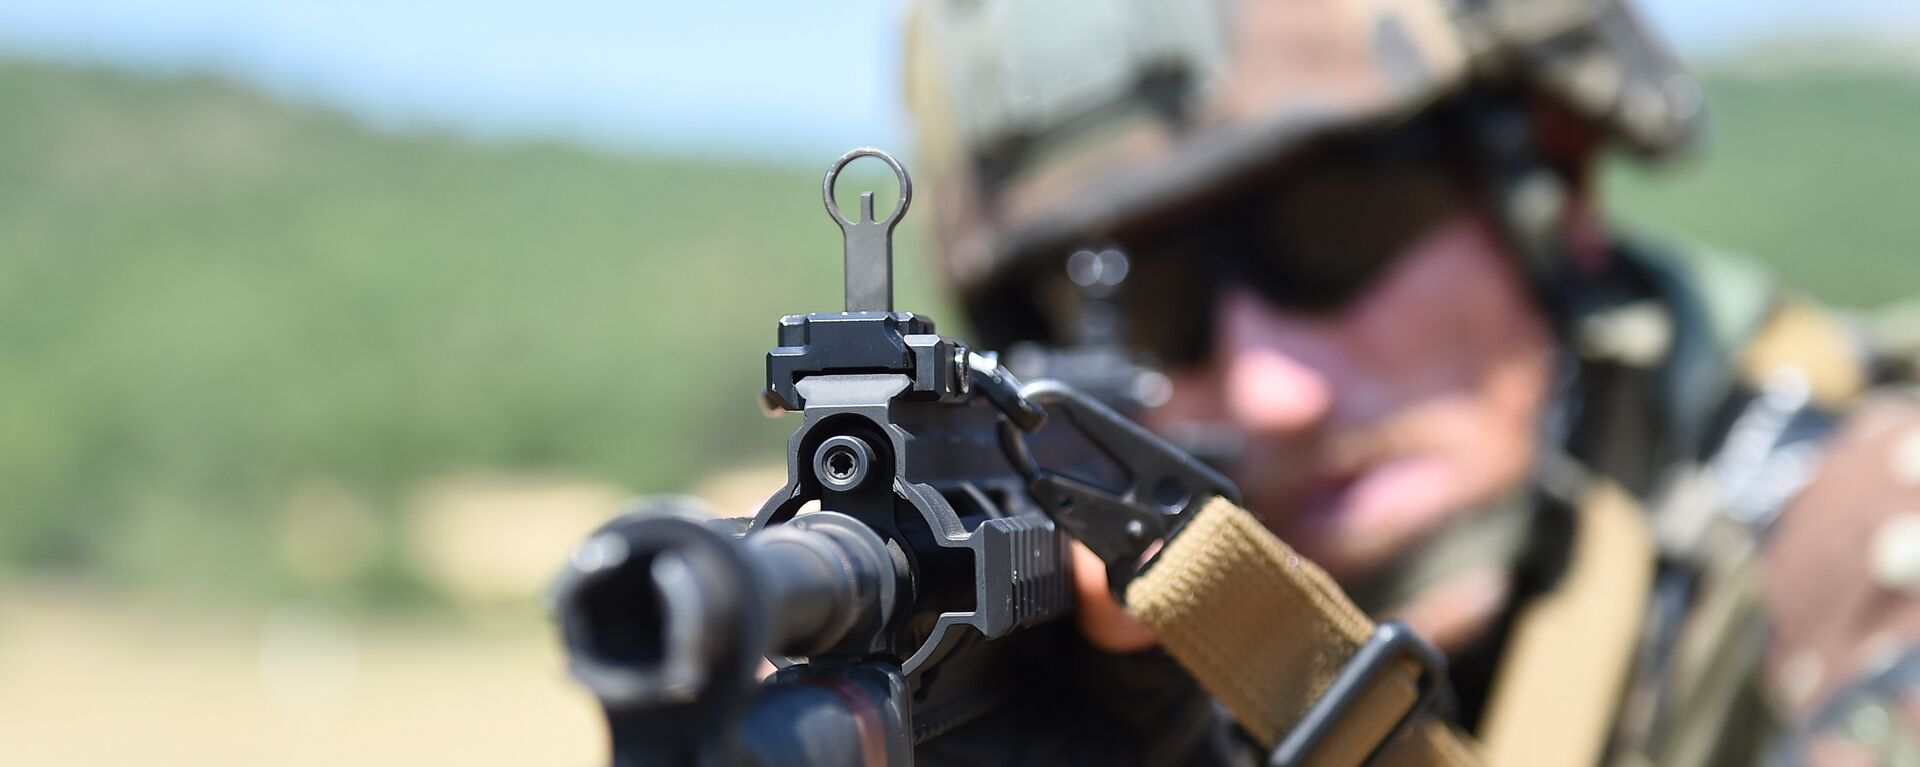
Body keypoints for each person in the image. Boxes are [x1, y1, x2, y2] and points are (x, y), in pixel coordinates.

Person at [901, 0, 1920, 764]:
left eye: (1338, 224)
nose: (1271, 392)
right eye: (1143, 303)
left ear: (1549, 179)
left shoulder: (1867, 536)